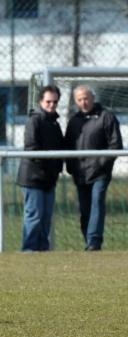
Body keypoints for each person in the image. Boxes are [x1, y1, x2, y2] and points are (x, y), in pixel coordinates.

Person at [64, 85, 123, 251]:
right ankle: (88, 240)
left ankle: (94, 242)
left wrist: (101, 164)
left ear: (93, 98)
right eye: (80, 99)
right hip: (80, 174)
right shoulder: (74, 121)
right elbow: (68, 145)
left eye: (86, 98)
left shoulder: (106, 117)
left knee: (97, 202)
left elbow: (116, 145)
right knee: (84, 210)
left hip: (100, 173)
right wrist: (71, 168)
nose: (84, 102)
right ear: (76, 101)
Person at [16, 85, 64, 252]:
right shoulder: (34, 120)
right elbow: (31, 148)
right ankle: (29, 249)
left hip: (49, 178)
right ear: (41, 102)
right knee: (34, 216)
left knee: (46, 218)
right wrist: (47, 167)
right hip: (33, 178)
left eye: (55, 102)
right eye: (48, 101)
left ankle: (43, 251)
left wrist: (56, 170)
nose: (51, 105)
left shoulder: (54, 123)